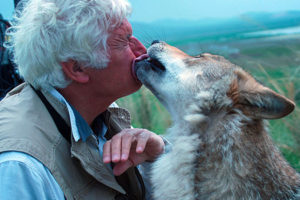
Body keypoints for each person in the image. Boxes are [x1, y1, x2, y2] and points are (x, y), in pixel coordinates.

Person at [0, 0, 165, 199]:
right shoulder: (20, 167)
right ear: (77, 68)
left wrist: (156, 158)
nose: (141, 51)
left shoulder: (97, 112)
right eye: (124, 41)